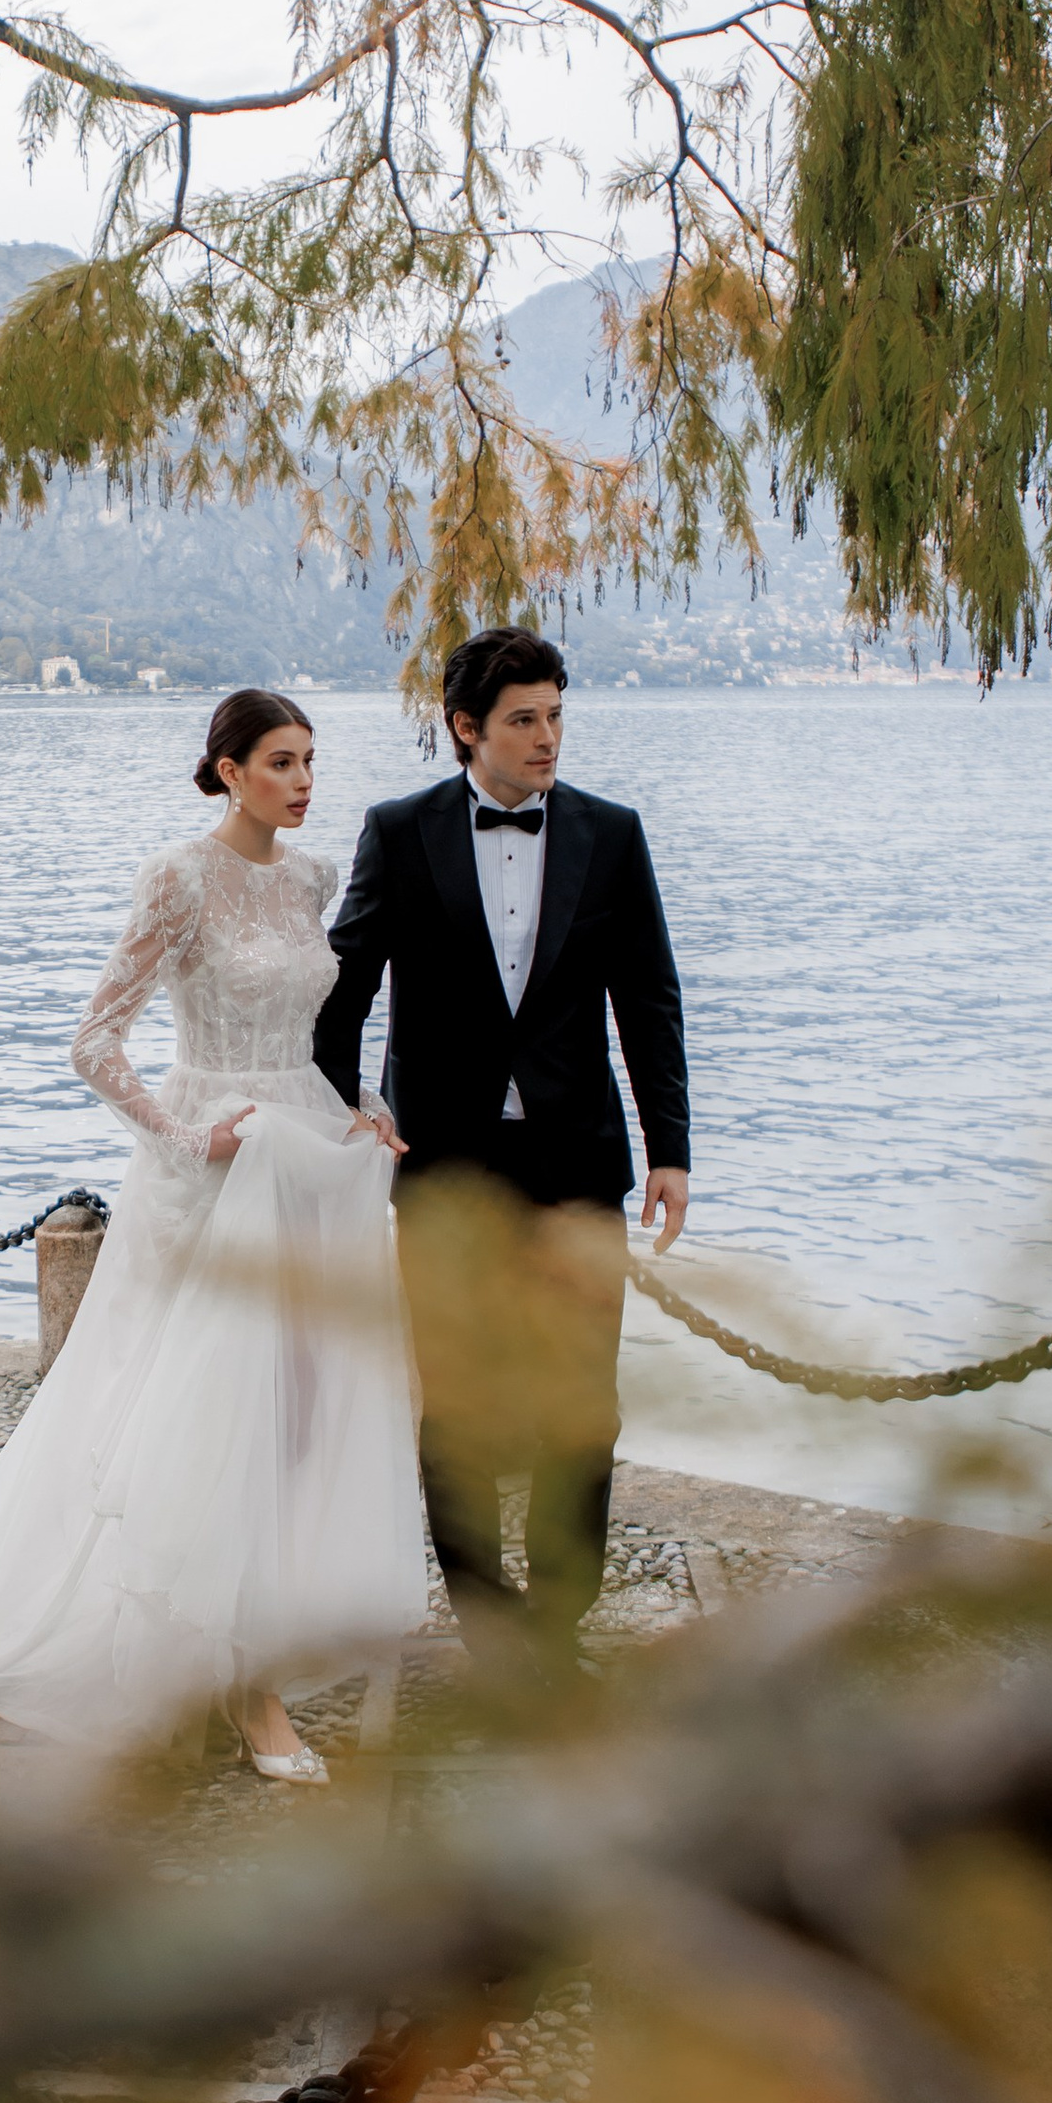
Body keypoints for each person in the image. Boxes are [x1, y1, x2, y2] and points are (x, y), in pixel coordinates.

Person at [0, 691, 429, 1771]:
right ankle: (245, 1687)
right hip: (213, 1167)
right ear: (226, 771)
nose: (304, 781)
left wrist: (357, 1107)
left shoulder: (312, 878)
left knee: (296, 1415)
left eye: (310, 760)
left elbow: (306, 1032)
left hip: (303, 1150)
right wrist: (188, 1137)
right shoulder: (178, 877)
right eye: (279, 761)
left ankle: (248, 1638)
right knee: (205, 1416)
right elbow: (95, 1041)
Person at [312, 624, 689, 1664]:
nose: (547, 737)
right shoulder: (400, 831)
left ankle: (560, 1617)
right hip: (444, 1166)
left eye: (556, 715)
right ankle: (488, 1618)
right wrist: (342, 1109)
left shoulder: (612, 834)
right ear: (466, 727)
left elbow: (649, 998)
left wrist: (669, 1148)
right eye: (523, 719)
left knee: (584, 1404)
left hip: (579, 1162)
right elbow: (343, 989)